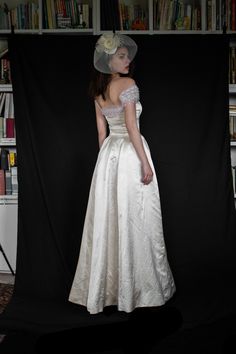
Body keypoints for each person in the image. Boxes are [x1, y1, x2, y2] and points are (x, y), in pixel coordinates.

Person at [68, 33, 176, 314]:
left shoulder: (97, 91)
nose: (127, 60)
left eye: (127, 55)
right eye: (121, 56)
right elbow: (131, 127)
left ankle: (107, 291)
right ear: (107, 60)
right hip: (129, 154)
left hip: (109, 157)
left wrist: (105, 166)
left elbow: (101, 134)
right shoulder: (128, 84)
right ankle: (136, 291)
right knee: (135, 217)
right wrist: (145, 163)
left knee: (109, 219)